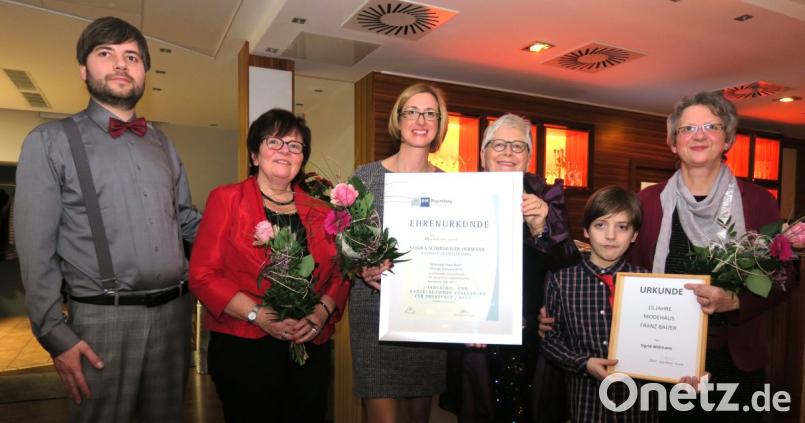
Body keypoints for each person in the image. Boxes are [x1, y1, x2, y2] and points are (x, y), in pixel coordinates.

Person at [14, 16, 201, 422]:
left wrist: (253, 229)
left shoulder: (163, 144)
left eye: (131, 56)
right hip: (102, 320)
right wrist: (55, 334)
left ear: (144, 72)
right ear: (84, 69)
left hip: (174, 317)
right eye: (106, 54)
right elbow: (34, 248)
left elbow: (186, 220)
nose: (121, 64)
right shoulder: (49, 142)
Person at [629, 91, 799, 421]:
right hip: (663, 362)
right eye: (687, 128)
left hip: (735, 361)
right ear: (673, 143)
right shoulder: (646, 202)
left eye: (711, 126)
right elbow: (628, 272)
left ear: (726, 140)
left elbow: (785, 277)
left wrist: (735, 302)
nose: (699, 135)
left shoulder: (758, 201)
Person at [189, 109, 349, 422]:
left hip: (309, 344)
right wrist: (259, 315)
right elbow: (203, 276)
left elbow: (342, 273)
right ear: (254, 154)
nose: (285, 151)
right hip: (245, 344)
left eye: (295, 146)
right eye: (274, 142)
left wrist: (320, 314)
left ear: (302, 159)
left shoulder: (320, 210)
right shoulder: (227, 199)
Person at [441, 114, 579, 422]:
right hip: (475, 335)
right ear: (483, 154)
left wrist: (542, 227)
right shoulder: (456, 194)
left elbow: (569, 263)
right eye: (498, 144)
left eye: (518, 146)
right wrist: (458, 317)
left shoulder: (547, 197)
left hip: (530, 335)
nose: (508, 152)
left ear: (529, 156)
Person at [349, 82, 449, 422]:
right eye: (412, 111)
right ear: (398, 119)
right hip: (373, 316)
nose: (421, 120)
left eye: (430, 113)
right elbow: (345, 245)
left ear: (439, 123)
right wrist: (361, 268)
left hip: (426, 318)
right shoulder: (366, 177)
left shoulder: (451, 186)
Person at [541, 186, 659, 422]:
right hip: (586, 404)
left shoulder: (649, 283)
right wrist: (583, 363)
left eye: (622, 227)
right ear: (586, 230)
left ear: (634, 235)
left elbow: (665, 341)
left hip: (639, 407)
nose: (611, 236)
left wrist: (686, 368)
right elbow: (550, 341)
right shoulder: (562, 280)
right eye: (601, 225)